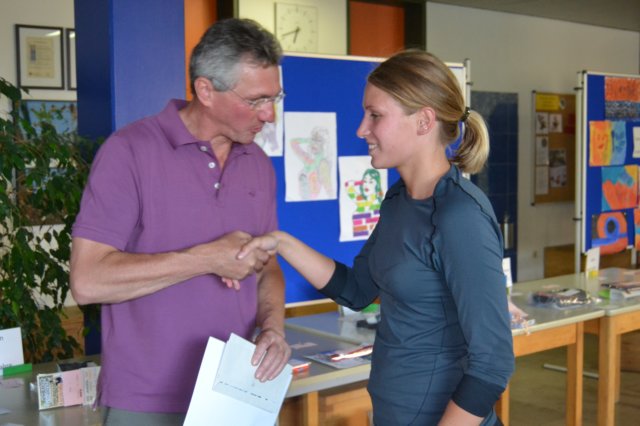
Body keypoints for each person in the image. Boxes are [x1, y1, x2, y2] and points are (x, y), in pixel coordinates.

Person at [237, 50, 515, 425]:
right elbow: (357, 290)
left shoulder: (460, 216)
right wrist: (281, 242)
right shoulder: (400, 200)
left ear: (424, 121)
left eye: (375, 115)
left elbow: (493, 363)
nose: (361, 129)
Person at [70, 18, 290, 425]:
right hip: (146, 399)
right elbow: (87, 282)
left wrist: (273, 327)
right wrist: (206, 258)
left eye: (274, 97)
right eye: (256, 100)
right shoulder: (128, 152)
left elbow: (268, 267)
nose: (269, 115)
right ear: (206, 90)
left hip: (237, 391)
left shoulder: (257, 162)